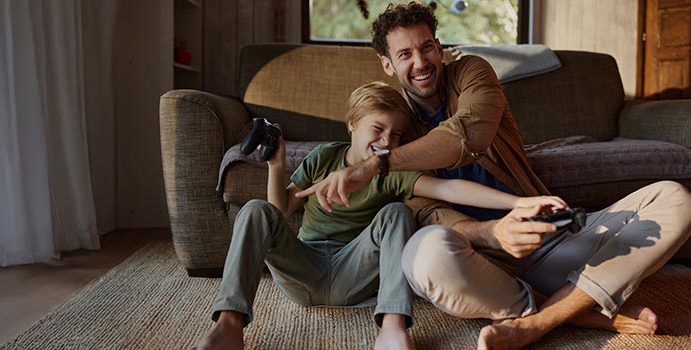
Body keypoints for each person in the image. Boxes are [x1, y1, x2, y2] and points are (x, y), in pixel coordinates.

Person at [292, 3, 691, 349]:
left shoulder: (472, 72)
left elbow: (469, 134)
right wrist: (492, 233)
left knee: (676, 198)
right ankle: (580, 309)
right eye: (404, 55)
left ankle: (540, 320)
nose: (420, 63)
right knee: (421, 254)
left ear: (440, 48)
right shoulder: (394, 128)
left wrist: (378, 163)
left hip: (549, 242)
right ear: (387, 65)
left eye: (427, 47)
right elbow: (428, 210)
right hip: (478, 260)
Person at [193, 82, 568, 350]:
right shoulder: (323, 157)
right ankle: (228, 326)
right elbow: (280, 211)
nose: (387, 142)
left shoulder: (389, 171)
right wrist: (276, 165)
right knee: (256, 209)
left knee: (395, 212)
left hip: (353, 272)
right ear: (352, 124)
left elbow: (448, 190)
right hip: (302, 269)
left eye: (396, 135)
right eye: (377, 129)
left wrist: (516, 202)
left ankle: (392, 327)